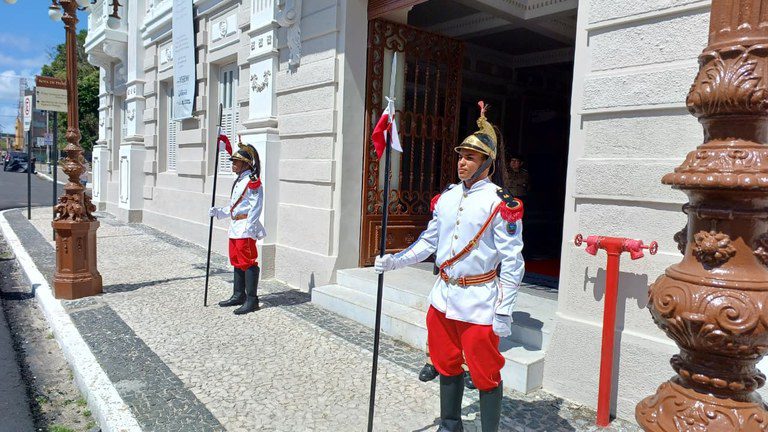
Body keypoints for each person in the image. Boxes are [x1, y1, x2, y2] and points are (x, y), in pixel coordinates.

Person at [375, 101, 524, 432]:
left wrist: (504, 310)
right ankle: (450, 423)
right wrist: (395, 260)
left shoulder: (502, 204)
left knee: (485, 373)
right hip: (443, 297)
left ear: (487, 163)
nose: (462, 162)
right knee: (446, 363)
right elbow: (429, 243)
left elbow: (514, 261)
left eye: (470, 157)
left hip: (480, 302)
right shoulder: (446, 198)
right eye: (461, 156)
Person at [208, 141, 265, 315]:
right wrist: (219, 212)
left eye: (236, 162)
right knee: (236, 261)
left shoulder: (252, 181)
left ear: (246, 164)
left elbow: (256, 206)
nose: (232, 165)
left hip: (245, 228)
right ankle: (238, 294)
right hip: (235, 226)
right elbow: (235, 207)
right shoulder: (240, 180)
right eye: (233, 162)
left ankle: (252, 300)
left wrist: (250, 227)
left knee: (248, 262)